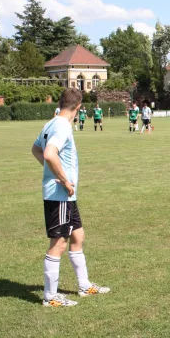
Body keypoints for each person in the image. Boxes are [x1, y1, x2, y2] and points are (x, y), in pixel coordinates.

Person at [31, 88, 110, 307]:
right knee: (59, 243)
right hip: (60, 195)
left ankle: (84, 286)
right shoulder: (63, 125)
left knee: (78, 237)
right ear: (78, 107)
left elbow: (36, 149)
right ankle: (51, 297)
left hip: (66, 197)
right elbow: (48, 153)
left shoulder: (51, 122)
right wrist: (63, 180)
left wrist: (52, 172)